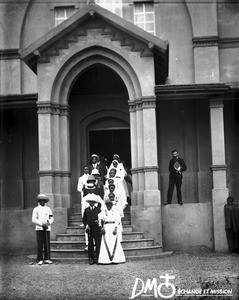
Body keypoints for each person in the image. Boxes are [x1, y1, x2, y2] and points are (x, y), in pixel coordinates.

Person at [98, 199, 126, 264]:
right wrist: (101, 228)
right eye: (107, 205)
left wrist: (116, 228)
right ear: (106, 205)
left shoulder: (115, 212)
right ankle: (105, 260)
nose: (109, 206)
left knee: (114, 242)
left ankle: (116, 259)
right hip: (106, 228)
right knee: (106, 242)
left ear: (112, 205)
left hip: (113, 228)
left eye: (110, 205)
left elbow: (118, 220)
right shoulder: (103, 212)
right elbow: (99, 219)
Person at [32, 194, 54, 265]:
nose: (42, 202)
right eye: (41, 200)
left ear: (45, 201)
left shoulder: (48, 209)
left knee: (47, 243)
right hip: (39, 228)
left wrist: (48, 223)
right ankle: (40, 259)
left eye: (43, 200)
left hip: (47, 228)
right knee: (40, 243)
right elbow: (34, 219)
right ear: (39, 201)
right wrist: (42, 224)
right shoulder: (36, 209)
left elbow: (51, 218)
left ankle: (47, 258)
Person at [83, 195, 102, 265]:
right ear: (89, 203)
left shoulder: (98, 210)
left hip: (96, 228)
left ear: (95, 203)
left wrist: (98, 222)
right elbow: (84, 220)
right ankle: (91, 258)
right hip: (90, 228)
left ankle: (97, 257)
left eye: (93, 202)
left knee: (97, 242)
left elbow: (101, 218)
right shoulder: (86, 210)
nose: (91, 203)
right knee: (90, 243)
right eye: (90, 202)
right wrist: (87, 225)